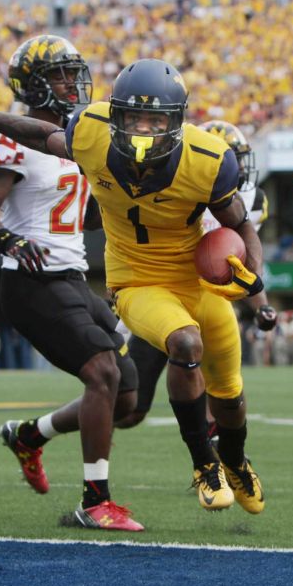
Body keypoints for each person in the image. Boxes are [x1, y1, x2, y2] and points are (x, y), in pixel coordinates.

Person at [0, 58, 267, 515]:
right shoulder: (92, 133)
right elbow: (34, 134)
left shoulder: (208, 160)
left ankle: (236, 460)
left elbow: (243, 229)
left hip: (191, 280)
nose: (144, 130)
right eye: (134, 118)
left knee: (203, 396)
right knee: (170, 351)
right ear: (117, 115)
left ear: (177, 121)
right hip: (137, 279)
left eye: (155, 120)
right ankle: (197, 468)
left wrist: (255, 282)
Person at [0, 36, 142, 531]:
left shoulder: (78, 134)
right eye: (61, 74)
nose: (72, 82)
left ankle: (29, 435)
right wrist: (8, 242)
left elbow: (78, 213)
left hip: (73, 276)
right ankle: (95, 501)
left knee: (127, 399)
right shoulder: (11, 138)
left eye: (73, 72)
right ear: (33, 85)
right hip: (30, 280)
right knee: (102, 375)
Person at [112, 120, 277, 441]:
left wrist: (262, 305)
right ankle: (62, 425)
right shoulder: (177, 189)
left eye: (237, 161)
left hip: (208, 304)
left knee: (221, 393)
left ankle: (212, 466)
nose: (235, 171)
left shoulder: (250, 204)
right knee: (130, 409)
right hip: (162, 295)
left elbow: (243, 263)